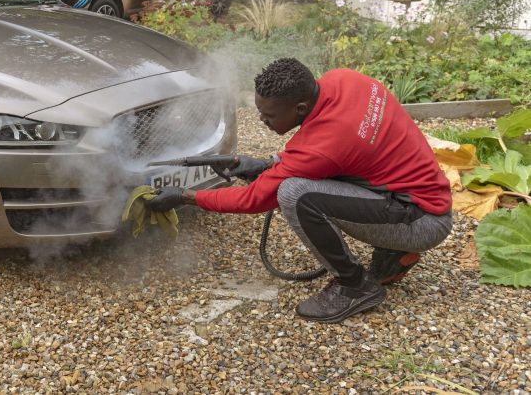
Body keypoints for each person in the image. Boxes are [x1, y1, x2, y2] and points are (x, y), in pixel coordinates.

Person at [146, 58, 452, 324]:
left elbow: (253, 200)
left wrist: (186, 197)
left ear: (301, 107)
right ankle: (393, 255)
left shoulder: (327, 144)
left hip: (421, 221)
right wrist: (266, 164)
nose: (262, 120)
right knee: (295, 180)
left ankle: (354, 285)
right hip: (413, 198)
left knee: (295, 194)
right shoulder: (342, 80)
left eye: (269, 115)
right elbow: (330, 156)